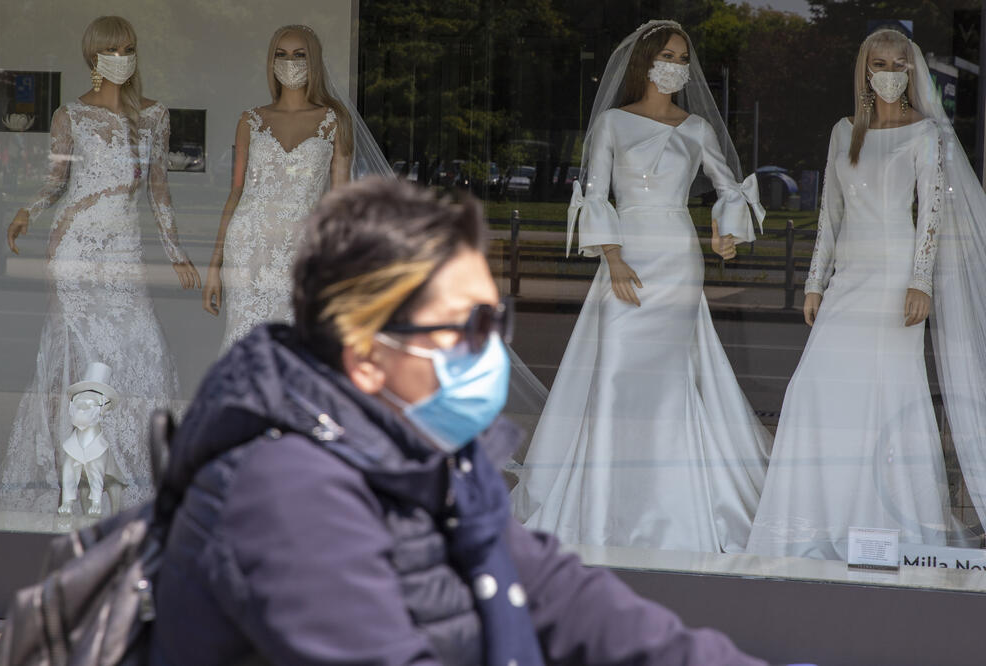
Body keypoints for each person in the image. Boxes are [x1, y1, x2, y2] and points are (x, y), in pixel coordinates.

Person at [150, 178, 765, 665]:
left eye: (492, 323)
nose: (486, 351)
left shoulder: (430, 455)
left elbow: (565, 598)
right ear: (366, 354)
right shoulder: (284, 493)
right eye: (459, 330)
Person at [509, 19, 771, 553]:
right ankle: (606, 504)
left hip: (677, 256)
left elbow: (727, 188)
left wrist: (727, 237)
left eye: (684, 58)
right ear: (646, 62)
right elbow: (597, 193)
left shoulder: (697, 129)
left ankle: (675, 505)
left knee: (670, 378)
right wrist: (613, 258)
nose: (678, 66)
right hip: (627, 257)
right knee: (618, 372)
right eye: (669, 56)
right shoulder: (612, 123)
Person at [747, 28, 963, 559]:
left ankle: (888, 531)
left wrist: (921, 282)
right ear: (865, 70)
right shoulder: (844, 132)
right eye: (879, 63)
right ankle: (816, 524)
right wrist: (815, 282)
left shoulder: (925, 133)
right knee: (816, 392)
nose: (889, 72)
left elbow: (931, 214)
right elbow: (829, 215)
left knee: (889, 396)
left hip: (896, 279)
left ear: (910, 71)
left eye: (898, 63)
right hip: (849, 279)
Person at [0, 15, 200, 515]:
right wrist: (28, 210)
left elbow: (159, 191)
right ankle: (74, 475)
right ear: (93, 56)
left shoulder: (154, 116)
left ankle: (137, 465)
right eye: (112, 49)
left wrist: (176, 253)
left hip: (124, 251)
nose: (121, 56)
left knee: (141, 346)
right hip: (75, 248)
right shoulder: (70, 115)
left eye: (128, 47)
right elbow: (56, 181)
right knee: (75, 353)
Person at [202, 24, 391, 350]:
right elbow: (237, 192)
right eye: (282, 54)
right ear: (271, 61)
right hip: (249, 248)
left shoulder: (333, 121)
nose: (290, 62)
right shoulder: (250, 120)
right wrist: (214, 266)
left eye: (299, 55)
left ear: (313, 61)